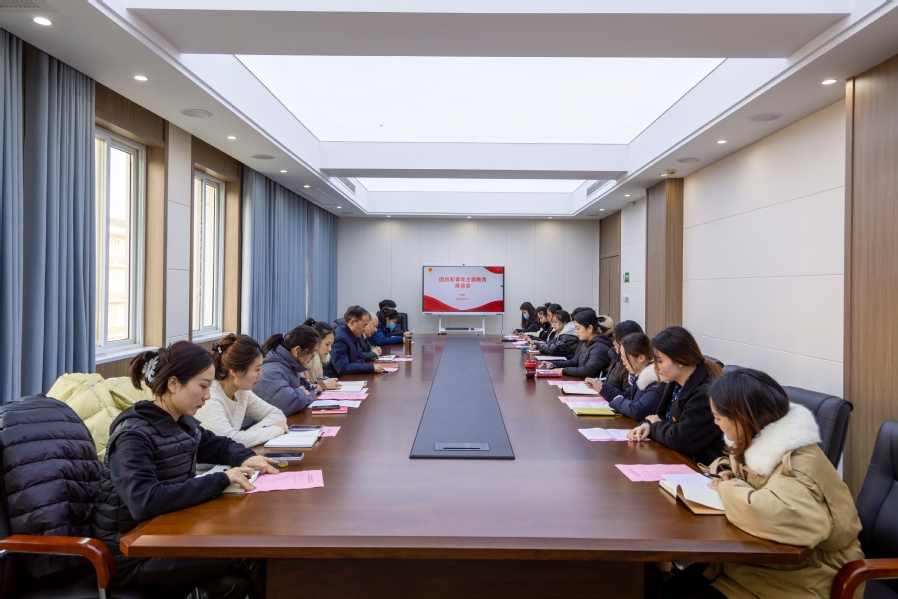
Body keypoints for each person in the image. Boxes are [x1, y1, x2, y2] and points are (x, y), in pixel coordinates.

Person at [92, 342, 276, 598]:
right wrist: (220, 480)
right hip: (130, 555)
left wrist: (246, 458)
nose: (207, 395)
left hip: (165, 538)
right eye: (202, 386)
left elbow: (220, 445)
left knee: (233, 581)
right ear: (173, 384)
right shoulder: (133, 436)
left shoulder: (181, 423)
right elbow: (144, 501)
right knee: (248, 552)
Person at [662, 369, 865, 599]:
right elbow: (741, 468)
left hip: (803, 579)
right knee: (672, 589)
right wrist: (722, 470)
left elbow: (780, 515)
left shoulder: (797, 462)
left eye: (718, 417)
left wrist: (728, 487)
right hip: (757, 565)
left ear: (741, 418)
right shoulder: (757, 439)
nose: (715, 423)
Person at [627, 326, 725, 466]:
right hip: (673, 457)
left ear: (679, 360)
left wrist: (655, 426)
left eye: (660, 361)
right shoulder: (675, 383)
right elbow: (661, 418)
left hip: (700, 466)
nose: (656, 367)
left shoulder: (705, 393)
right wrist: (647, 425)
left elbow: (680, 439)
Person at [195, 334, 288, 447]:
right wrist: (274, 430)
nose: (260, 374)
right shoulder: (210, 398)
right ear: (234, 371)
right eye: (257, 369)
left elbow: (277, 415)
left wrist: (245, 437)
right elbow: (229, 442)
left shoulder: (241, 391)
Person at [586, 332, 663, 421]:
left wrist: (618, 401)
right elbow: (629, 400)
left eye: (624, 358)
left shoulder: (655, 380)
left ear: (641, 358)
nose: (623, 362)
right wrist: (602, 388)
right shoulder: (640, 376)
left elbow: (638, 410)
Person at [255, 325, 321, 415]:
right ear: (297, 350)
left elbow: (308, 389)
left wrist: (301, 393)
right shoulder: (273, 371)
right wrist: (302, 393)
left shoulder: (288, 366)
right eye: (311, 353)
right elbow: (289, 404)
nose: (312, 358)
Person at [540, 309, 613, 378]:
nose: (576, 332)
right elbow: (574, 361)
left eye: (578, 328)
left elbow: (587, 371)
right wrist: (554, 364)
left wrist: (563, 370)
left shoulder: (599, 347)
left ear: (590, 328)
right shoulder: (585, 342)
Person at [325, 306, 387, 377]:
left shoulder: (354, 334)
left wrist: (353, 365)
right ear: (352, 322)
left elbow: (360, 357)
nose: (364, 329)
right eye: (364, 326)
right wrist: (371, 368)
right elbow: (343, 368)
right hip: (336, 380)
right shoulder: (339, 338)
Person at [604, 320, 645, 392]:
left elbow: (628, 395)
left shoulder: (632, 366)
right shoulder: (617, 359)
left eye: (616, 339)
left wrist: (604, 390)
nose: (614, 343)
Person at [303, 319, 341, 393]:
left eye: (331, 345)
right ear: (316, 341)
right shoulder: (304, 359)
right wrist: (323, 385)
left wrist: (327, 380)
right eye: (327, 344)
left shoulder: (319, 358)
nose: (330, 349)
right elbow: (302, 390)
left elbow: (317, 379)